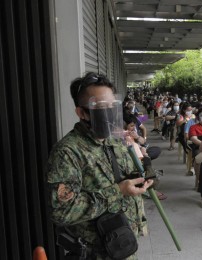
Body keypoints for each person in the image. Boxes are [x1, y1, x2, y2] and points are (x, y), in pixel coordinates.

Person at [47, 72, 153, 259]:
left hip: (124, 243)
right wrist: (117, 191)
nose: (110, 112)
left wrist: (142, 179)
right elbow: (61, 211)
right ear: (82, 113)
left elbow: (124, 176)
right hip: (97, 252)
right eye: (102, 107)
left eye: (113, 105)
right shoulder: (67, 152)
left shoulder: (113, 141)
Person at [188, 108, 202, 179]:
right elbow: (194, 139)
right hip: (199, 148)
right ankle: (199, 180)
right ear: (198, 117)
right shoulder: (194, 127)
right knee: (198, 158)